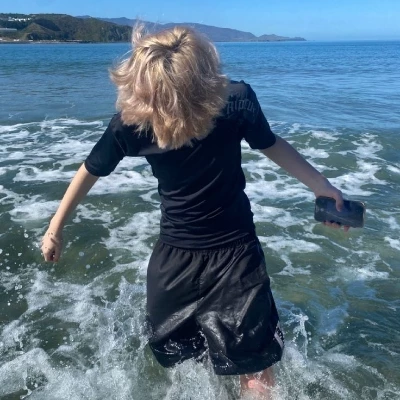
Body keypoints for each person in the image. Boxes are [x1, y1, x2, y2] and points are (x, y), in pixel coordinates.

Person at [41, 26, 347, 399]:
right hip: (235, 256)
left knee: (184, 360)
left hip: (176, 263)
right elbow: (271, 145)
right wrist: (321, 186)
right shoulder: (235, 101)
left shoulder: (135, 121)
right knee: (251, 364)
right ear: (204, 67)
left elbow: (90, 170)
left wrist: (55, 227)